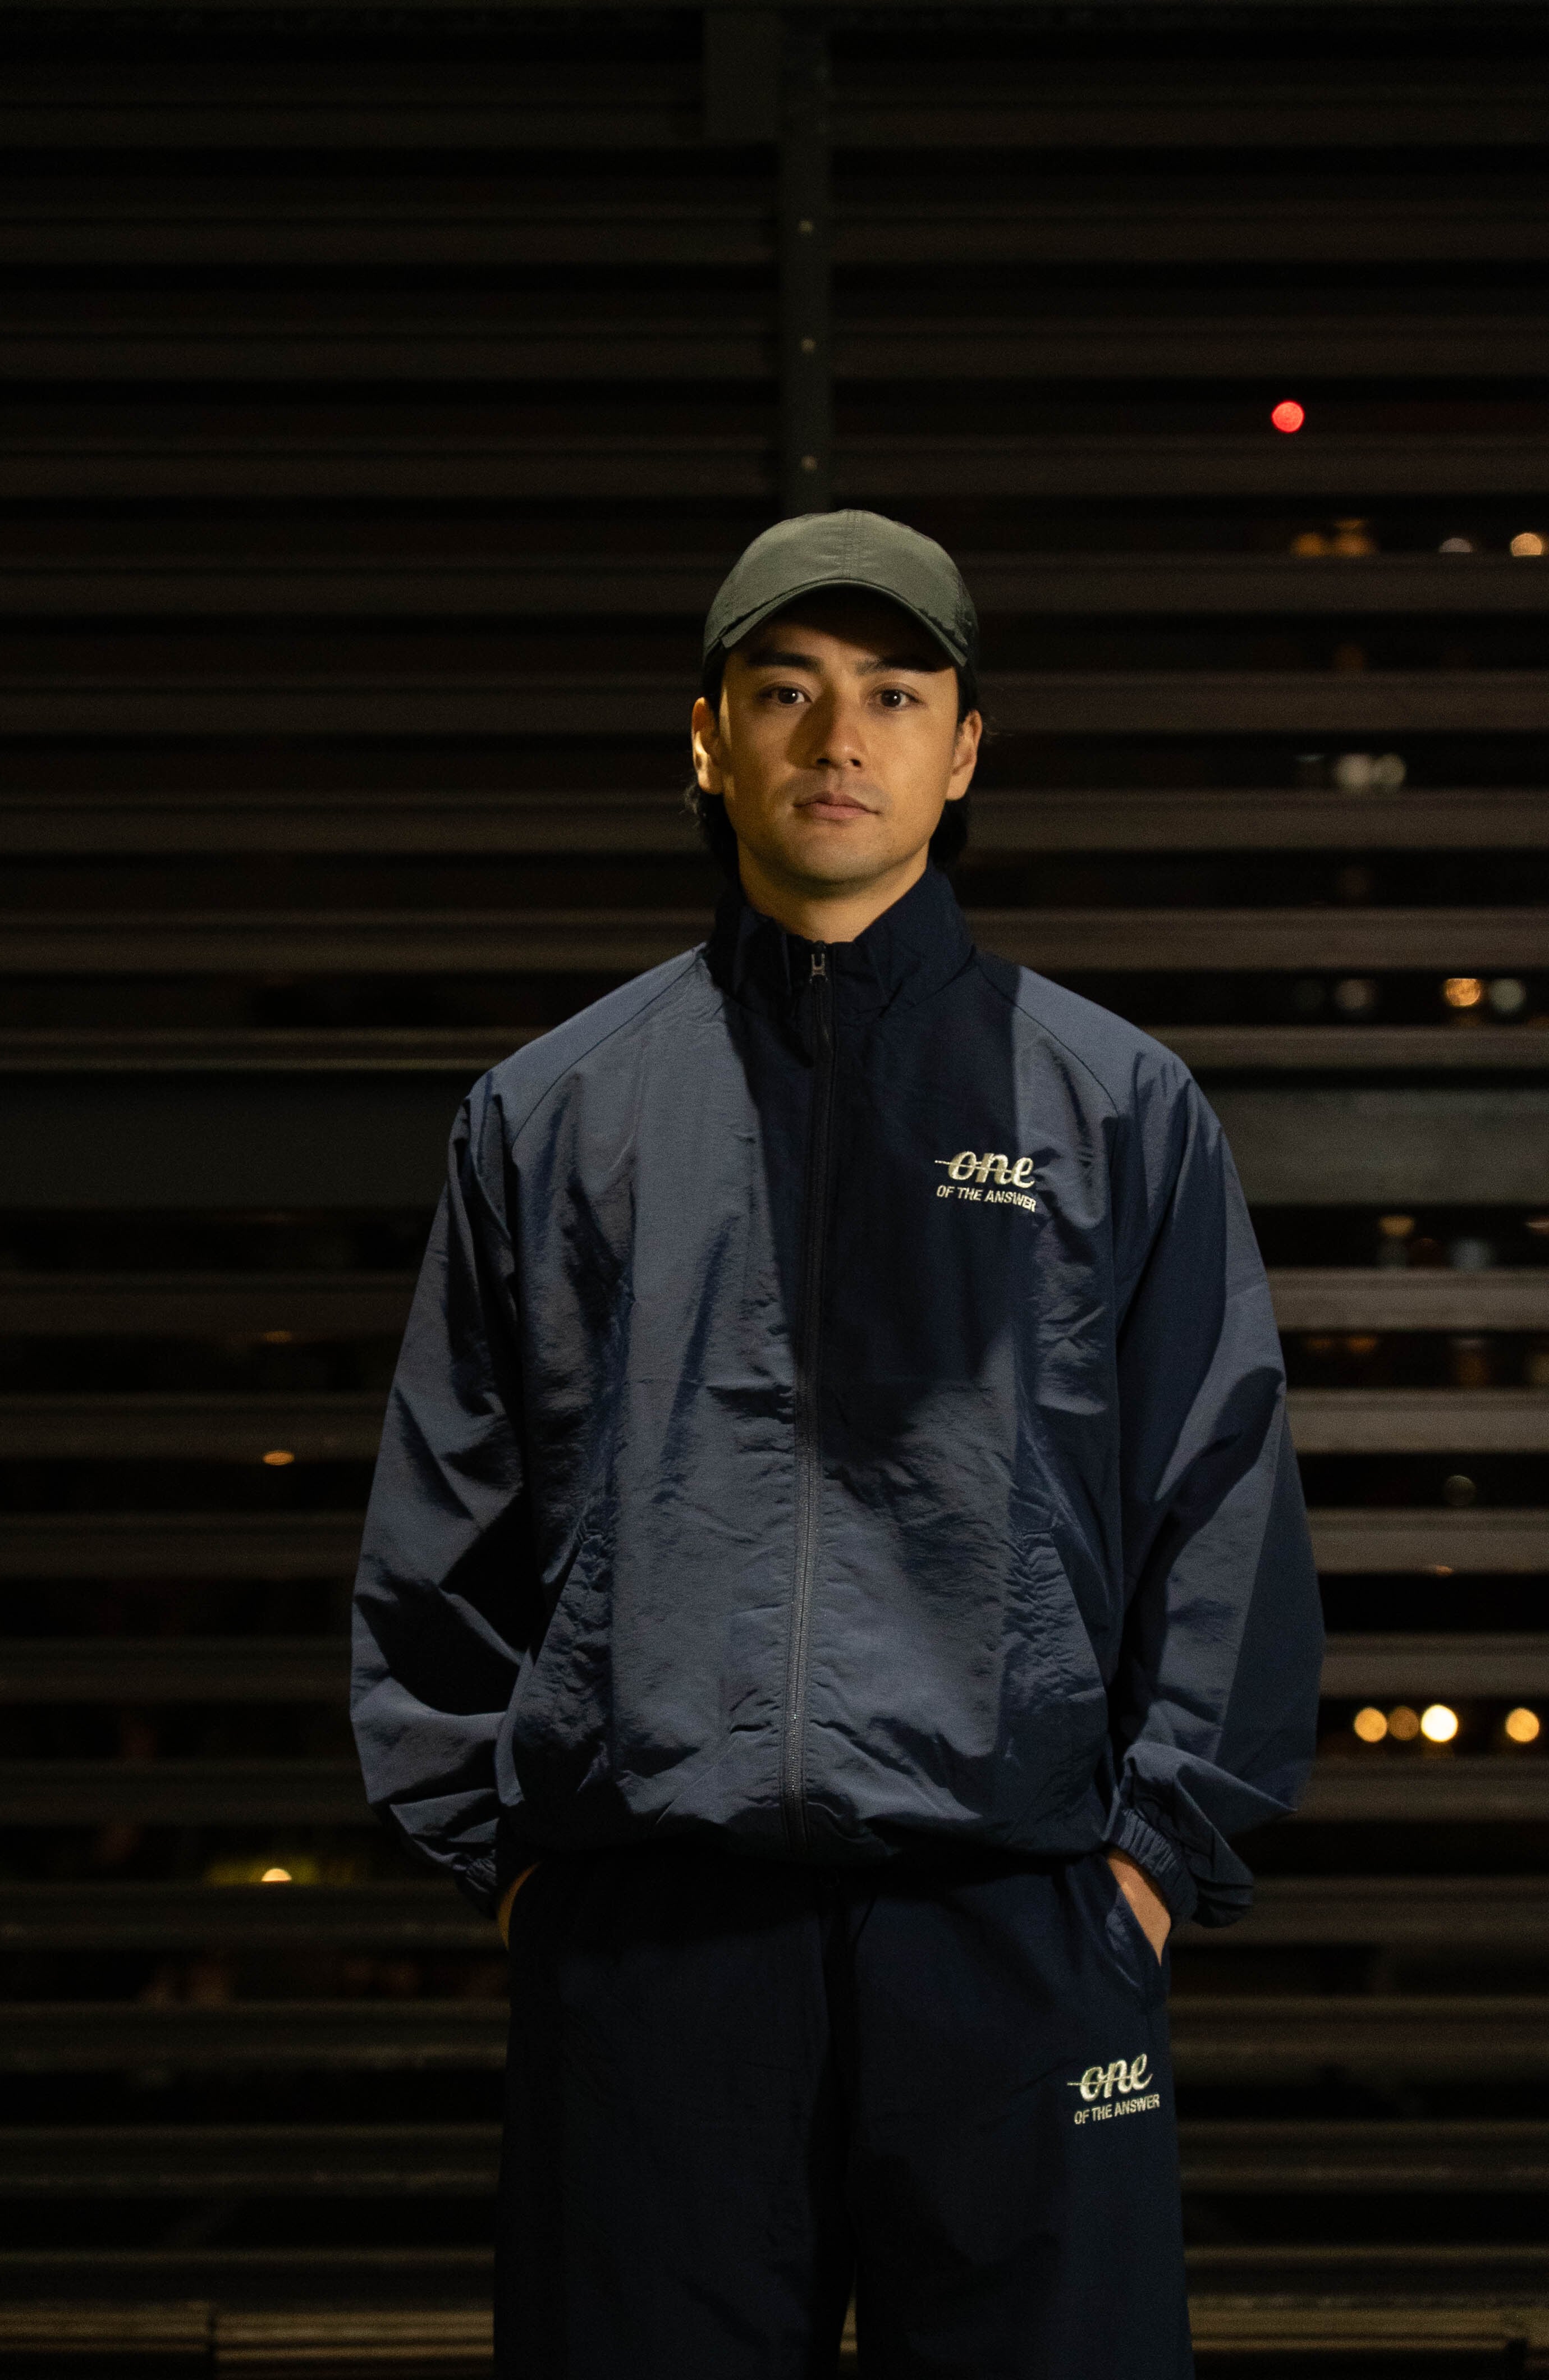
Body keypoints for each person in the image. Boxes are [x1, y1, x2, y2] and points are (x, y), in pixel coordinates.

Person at [351, 510, 1323, 2378]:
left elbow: (1223, 1500)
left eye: (894, 694)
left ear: (965, 753)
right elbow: (442, 1517)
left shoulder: (1113, 1106)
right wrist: (529, 1875)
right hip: (654, 1947)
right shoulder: (555, 1114)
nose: (838, 740)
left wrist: (1141, 1874)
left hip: (1019, 1933)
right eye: (784, 692)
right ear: (707, 737)